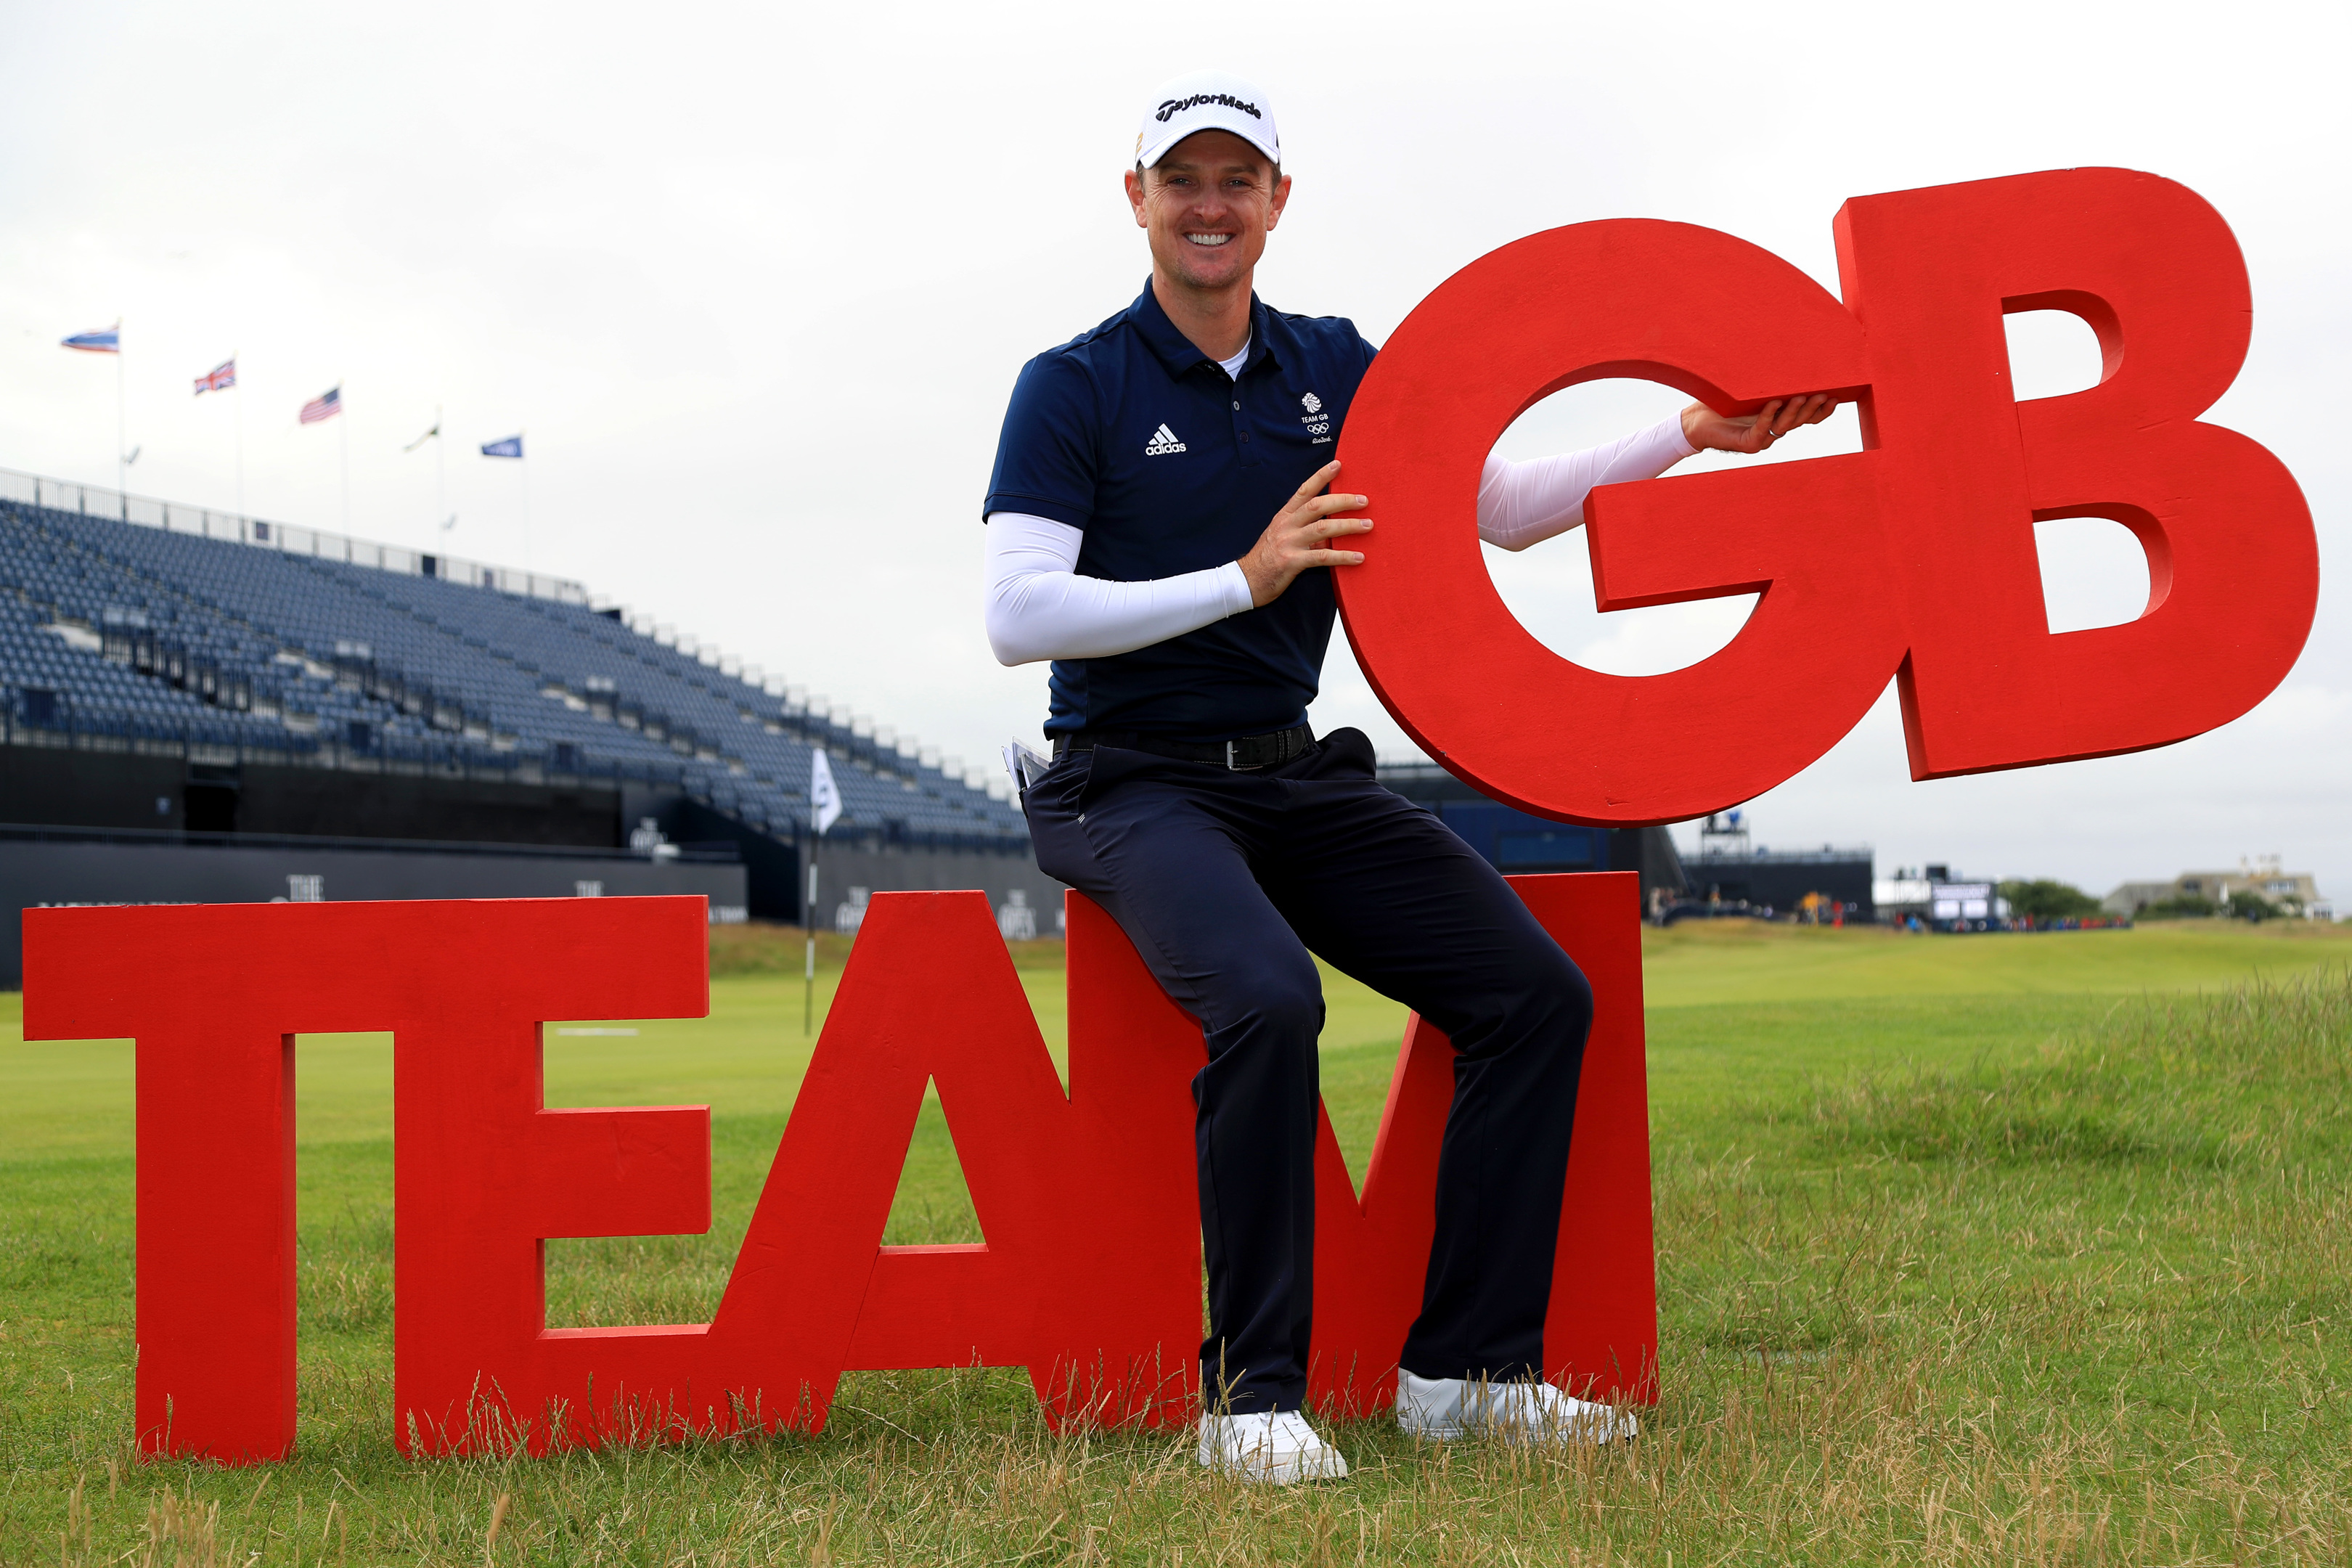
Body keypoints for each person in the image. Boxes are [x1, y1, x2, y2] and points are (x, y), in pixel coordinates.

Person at [981, 72, 1832, 1485]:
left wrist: (1690, 435)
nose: (1209, 205)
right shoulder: (1077, 384)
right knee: (1265, 1000)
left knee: (1534, 997)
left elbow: (1495, 508)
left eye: (1235, 182)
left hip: (1296, 779)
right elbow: (1020, 616)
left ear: (1275, 205)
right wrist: (1245, 577)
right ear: (1136, 198)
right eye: (1181, 179)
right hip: (1128, 782)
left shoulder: (1337, 367)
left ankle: (1468, 1375)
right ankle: (1249, 1403)